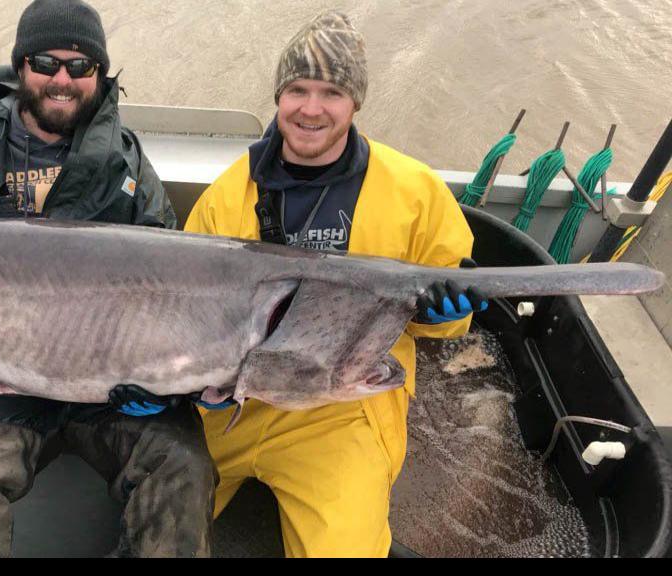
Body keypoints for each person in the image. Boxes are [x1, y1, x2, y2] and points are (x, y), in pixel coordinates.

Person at [0, 0, 215, 558]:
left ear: (99, 77)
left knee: (183, 468)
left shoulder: (127, 167)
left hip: (105, 392)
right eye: (46, 61)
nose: (62, 79)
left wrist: (168, 388)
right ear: (21, 67)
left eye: (81, 66)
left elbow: (180, 296)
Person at [183, 11, 486, 558]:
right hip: (231, 400)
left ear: (356, 103)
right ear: (279, 96)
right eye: (297, 89)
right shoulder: (227, 196)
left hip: (339, 409)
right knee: (158, 521)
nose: (311, 108)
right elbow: (183, 313)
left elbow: (450, 311)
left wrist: (445, 313)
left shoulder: (416, 192)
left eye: (332, 91)